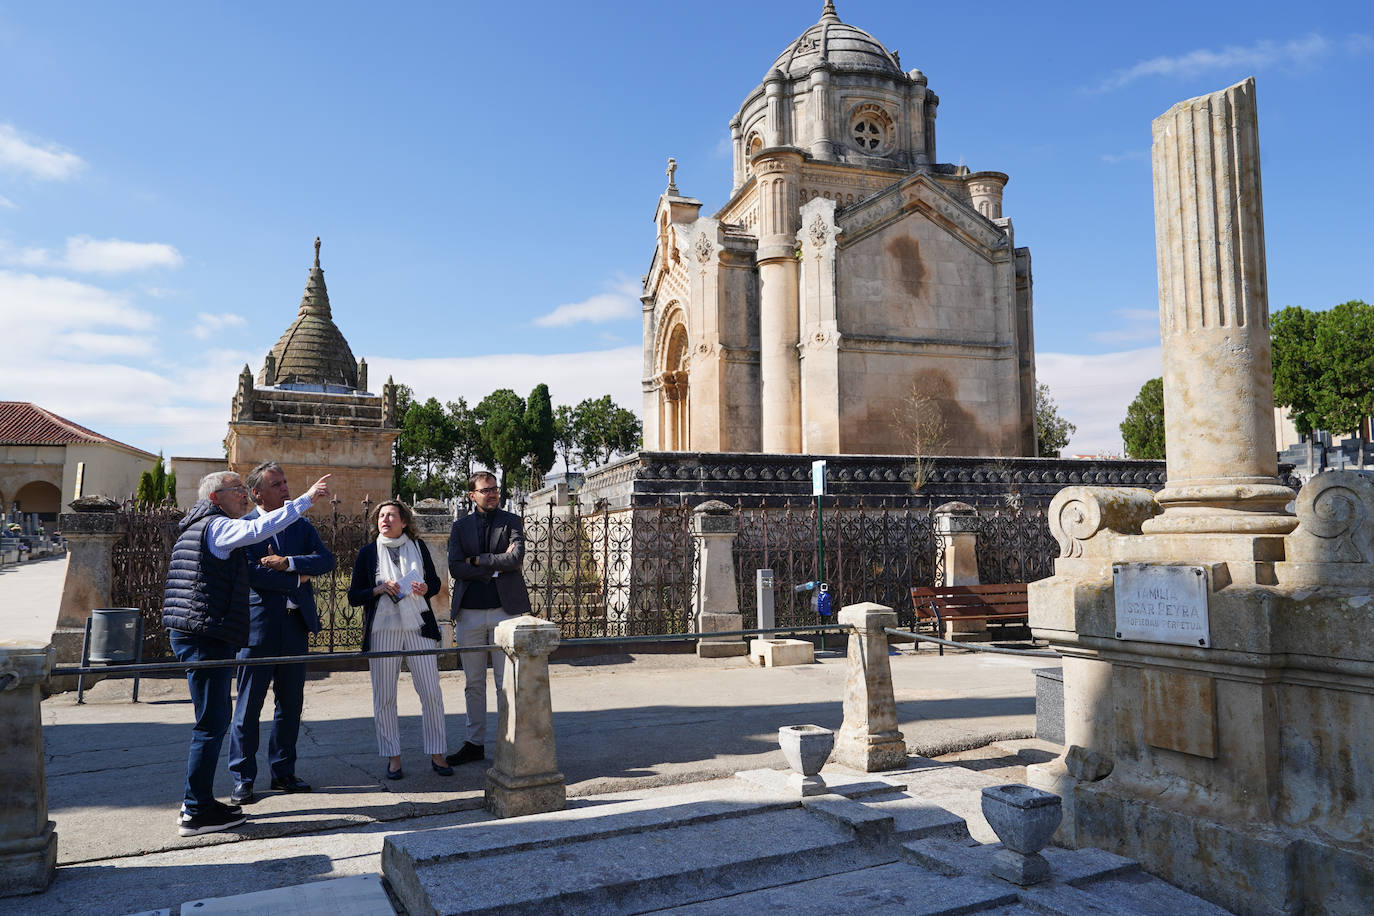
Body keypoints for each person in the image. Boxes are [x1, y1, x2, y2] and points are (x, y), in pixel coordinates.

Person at [162, 469, 331, 837]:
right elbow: (256, 532)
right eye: (236, 490)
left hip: (203, 633)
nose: (243, 496)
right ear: (214, 498)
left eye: (243, 488)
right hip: (206, 637)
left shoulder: (197, 527)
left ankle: (199, 801)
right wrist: (305, 500)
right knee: (212, 725)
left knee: (215, 721)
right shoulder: (217, 527)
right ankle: (196, 810)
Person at [227, 462, 335, 805]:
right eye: (276, 484)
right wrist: (297, 577)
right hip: (258, 629)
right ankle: (243, 778)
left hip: (294, 626)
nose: (285, 488)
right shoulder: (243, 528)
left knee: (290, 705)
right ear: (256, 492)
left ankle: (283, 771)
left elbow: (325, 561)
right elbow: (253, 576)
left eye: (286, 482)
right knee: (248, 706)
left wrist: (288, 563)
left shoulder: (300, 526)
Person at [347, 499, 451, 779]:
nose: (385, 519)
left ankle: (438, 753)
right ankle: (393, 758)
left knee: (430, 691)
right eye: (381, 516)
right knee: (384, 696)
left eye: (392, 515)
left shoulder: (418, 547)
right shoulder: (368, 553)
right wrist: (379, 589)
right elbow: (354, 595)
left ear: (404, 521)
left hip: (419, 626)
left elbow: (434, 584)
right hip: (383, 630)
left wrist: (424, 587)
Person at [446, 471, 532, 767]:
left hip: (504, 611)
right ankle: (474, 743)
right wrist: (494, 565)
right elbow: (456, 567)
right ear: (472, 495)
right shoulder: (460, 527)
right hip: (468, 613)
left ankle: (510, 741)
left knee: (505, 681)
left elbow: (516, 559)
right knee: (473, 682)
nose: (493, 494)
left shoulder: (512, 521)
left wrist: (478, 560)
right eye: (486, 490)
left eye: (495, 489)